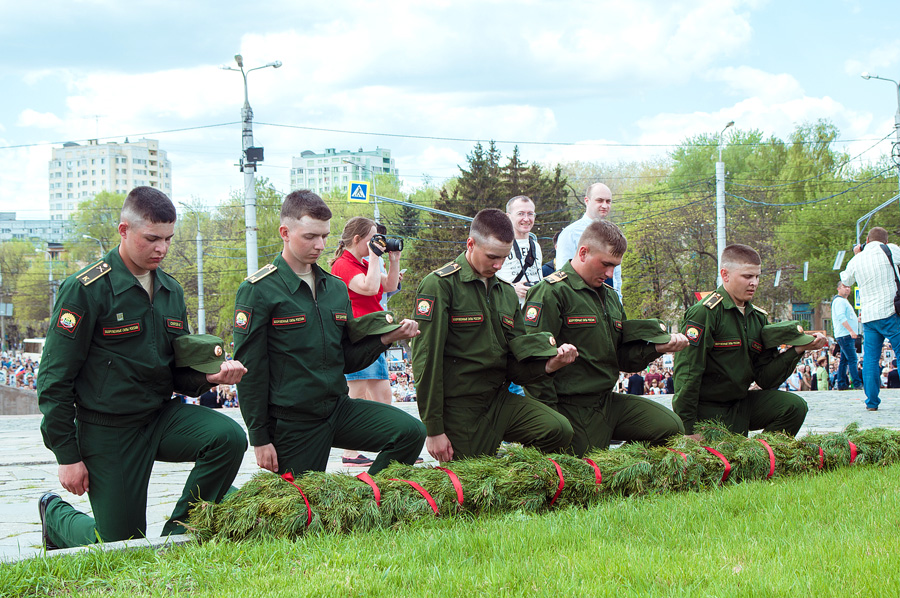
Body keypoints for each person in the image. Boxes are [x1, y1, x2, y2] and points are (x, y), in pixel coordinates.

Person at [36, 186, 249, 550]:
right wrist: (67, 456)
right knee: (120, 544)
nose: (162, 249)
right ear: (124, 230)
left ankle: (179, 535)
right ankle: (55, 516)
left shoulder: (170, 290)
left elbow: (178, 369)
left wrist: (209, 377)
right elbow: (53, 380)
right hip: (108, 428)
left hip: (159, 417)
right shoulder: (86, 289)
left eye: (168, 239)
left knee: (228, 438)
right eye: (152, 238)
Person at [233, 190, 425, 477]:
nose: (320, 245)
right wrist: (259, 438)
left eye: (324, 236)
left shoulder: (334, 288)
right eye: (310, 236)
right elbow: (251, 371)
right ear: (285, 232)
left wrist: (385, 338)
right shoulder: (259, 290)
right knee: (301, 508)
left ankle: (365, 499)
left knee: (410, 432)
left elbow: (345, 359)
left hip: (338, 409)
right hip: (294, 420)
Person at [411, 208, 578, 462]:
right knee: (472, 485)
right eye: (491, 257)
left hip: (499, 400)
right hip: (461, 407)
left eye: (504, 257)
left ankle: (519, 475)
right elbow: (426, 361)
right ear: (470, 244)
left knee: (558, 429)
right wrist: (433, 429)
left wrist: (549, 364)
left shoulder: (505, 293)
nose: (498, 265)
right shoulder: (440, 285)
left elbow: (516, 361)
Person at [523, 220, 686, 456]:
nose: (610, 273)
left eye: (615, 266)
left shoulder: (609, 297)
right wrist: (552, 422)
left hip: (606, 402)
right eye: (606, 264)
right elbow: (533, 365)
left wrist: (657, 348)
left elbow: (622, 357)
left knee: (670, 427)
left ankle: (624, 468)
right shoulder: (551, 292)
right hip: (569, 406)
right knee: (586, 474)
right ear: (583, 252)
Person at [673, 244, 827, 437]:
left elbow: (766, 378)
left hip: (741, 404)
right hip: (708, 412)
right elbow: (688, 374)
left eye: (757, 276)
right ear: (725, 275)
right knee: (724, 462)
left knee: (794, 406)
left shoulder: (758, 318)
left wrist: (798, 349)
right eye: (747, 276)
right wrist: (687, 430)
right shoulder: (705, 313)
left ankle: (764, 456)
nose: (754, 282)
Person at [329, 216, 402, 466]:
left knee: (383, 396)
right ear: (357, 239)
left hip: (373, 334)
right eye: (372, 239)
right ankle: (350, 452)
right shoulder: (343, 265)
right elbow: (370, 289)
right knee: (357, 394)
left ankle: (388, 444)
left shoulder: (362, 262)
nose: (377, 243)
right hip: (358, 334)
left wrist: (393, 259)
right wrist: (374, 257)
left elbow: (389, 285)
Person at [840, 227, 900, 411]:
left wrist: (857, 254)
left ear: (866, 239)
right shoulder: (891, 249)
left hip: (869, 317)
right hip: (891, 314)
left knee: (870, 360)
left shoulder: (858, 259)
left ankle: (872, 403)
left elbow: (846, 280)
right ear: (885, 240)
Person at [554, 183, 621, 298]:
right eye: (599, 200)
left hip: (609, 302)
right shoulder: (570, 234)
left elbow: (616, 277)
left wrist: (618, 303)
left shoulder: (614, 234)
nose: (604, 205)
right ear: (587, 201)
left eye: (608, 201)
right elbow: (563, 275)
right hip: (582, 303)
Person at [496, 195, 543, 306]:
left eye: (530, 214)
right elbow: (486, 280)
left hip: (534, 310)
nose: (526, 219)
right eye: (520, 213)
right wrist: (512, 289)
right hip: (508, 310)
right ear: (508, 217)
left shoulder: (536, 246)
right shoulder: (498, 244)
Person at [831, 281, 861, 390]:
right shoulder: (840, 301)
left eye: (848, 287)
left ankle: (842, 383)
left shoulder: (844, 301)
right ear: (839, 289)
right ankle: (857, 383)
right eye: (844, 287)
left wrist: (856, 320)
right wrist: (851, 331)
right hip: (845, 335)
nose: (847, 289)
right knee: (852, 359)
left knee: (844, 361)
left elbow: (847, 317)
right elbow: (841, 317)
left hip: (844, 334)